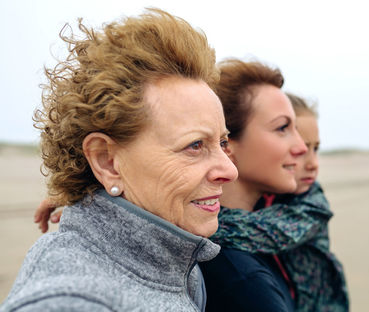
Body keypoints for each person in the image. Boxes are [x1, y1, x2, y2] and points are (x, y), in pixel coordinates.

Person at [1, 8, 238, 312]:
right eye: (194, 145)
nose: (230, 170)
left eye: (222, 142)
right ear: (107, 162)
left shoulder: (177, 248)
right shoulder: (71, 300)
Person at [209, 92, 349, 311]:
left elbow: (269, 232)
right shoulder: (267, 196)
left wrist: (207, 226)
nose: (311, 162)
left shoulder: (312, 204)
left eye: (316, 148)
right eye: (300, 148)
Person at [199, 59, 308, 311]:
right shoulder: (244, 280)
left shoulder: (263, 235)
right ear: (227, 145)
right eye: (282, 128)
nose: (301, 147)